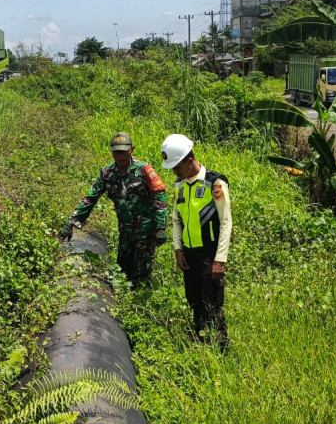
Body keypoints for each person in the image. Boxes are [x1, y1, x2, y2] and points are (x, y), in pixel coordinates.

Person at [58, 132, 168, 284]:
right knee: (122, 271)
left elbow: (160, 196)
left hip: (145, 231)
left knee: (142, 274)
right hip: (125, 231)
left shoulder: (144, 170)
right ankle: (124, 301)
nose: (120, 156)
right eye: (116, 152)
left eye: (123, 152)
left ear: (132, 149)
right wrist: (72, 221)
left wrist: (161, 226)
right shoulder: (107, 173)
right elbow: (91, 198)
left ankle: (141, 300)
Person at [161, 134, 231, 352]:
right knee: (194, 300)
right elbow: (175, 219)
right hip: (189, 254)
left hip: (209, 253)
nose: (174, 171)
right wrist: (178, 249)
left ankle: (221, 346)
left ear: (188, 160)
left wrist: (219, 260)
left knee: (212, 302)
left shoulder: (214, 183)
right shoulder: (180, 185)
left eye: (177, 167)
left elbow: (226, 222)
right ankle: (200, 341)